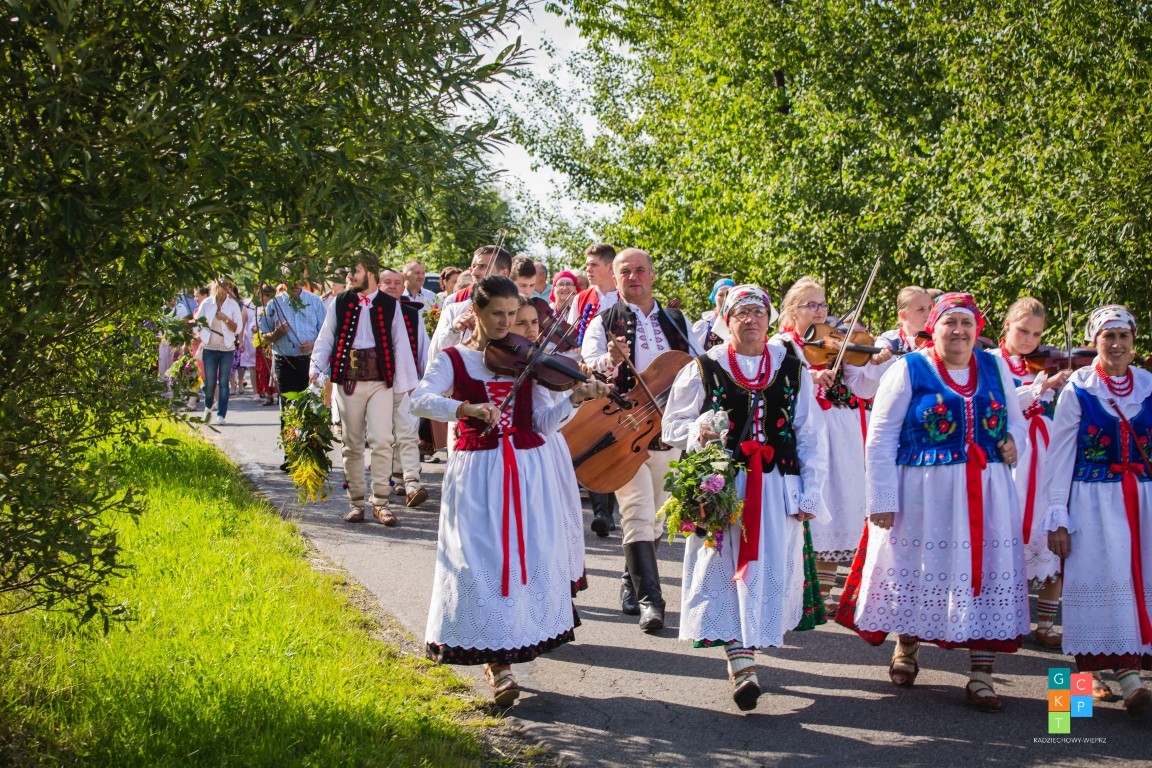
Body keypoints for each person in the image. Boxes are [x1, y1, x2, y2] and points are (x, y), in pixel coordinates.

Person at [410, 275, 610, 705]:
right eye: (496, 314)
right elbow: (419, 400)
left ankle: (510, 649)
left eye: (511, 315)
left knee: (524, 559)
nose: (505, 323)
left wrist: (574, 400)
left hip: (528, 469)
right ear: (476, 313)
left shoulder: (527, 360)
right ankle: (495, 662)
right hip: (477, 471)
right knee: (479, 559)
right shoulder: (454, 358)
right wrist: (462, 407)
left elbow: (542, 423)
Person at [838, 292, 1029, 712]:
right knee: (921, 568)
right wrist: (882, 498)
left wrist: (1015, 440)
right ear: (933, 328)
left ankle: (981, 672)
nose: (958, 331)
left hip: (988, 492)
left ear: (977, 329)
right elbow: (881, 437)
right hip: (923, 494)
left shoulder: (995, 366)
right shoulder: (909, 368)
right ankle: (907, 645)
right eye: (949, 323)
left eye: (966, 323)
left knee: (987, 572)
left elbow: (1017, 422)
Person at [664, 285, 829, 710]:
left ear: (769, 319)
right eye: (742, 312)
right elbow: (671, 427)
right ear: (727, 320)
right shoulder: (705, 367)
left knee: (766, 568)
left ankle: (749, 651)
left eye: (758, 311)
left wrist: (811, 491)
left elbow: (810, 433)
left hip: (777, 486)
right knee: (724, 568)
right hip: (722, 486)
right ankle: (741, 663)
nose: (751, 319)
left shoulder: (791, 368)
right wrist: (699, 430)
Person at [1044, 304, 1152, 717]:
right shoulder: (1080, 388)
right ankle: (1076, 704)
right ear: (1095, 342)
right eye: (1109, 336)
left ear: (1133, 341)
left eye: (1124, 336)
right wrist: (1057, 514)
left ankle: (1126, 673)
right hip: (1092, 500)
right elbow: (1059, 454)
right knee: (1096, 583)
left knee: (1133, 583)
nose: (1117, 344)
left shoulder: (1148, 385)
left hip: (1141, 500)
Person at [581, 247, 696, 631]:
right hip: (623, 430)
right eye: (625, 272)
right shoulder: (602, 322)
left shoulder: (678, 320)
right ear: (615, 279)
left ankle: (631, 582)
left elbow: (700, 366)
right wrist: (610, 360)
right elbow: (588, 367)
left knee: (658, 517)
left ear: (652, 275)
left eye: (640, 270)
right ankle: (652, 602)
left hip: (668, 431)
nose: (634, 277)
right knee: (637, 511)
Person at [774, 277, 886, 612]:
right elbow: (773, 384)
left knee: (837, 511)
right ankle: (790, 593)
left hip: (840, 435)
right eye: (811, 305)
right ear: (792, 311)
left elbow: (863, 390)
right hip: (802, 435)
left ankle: (820, 597)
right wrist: (808, 377)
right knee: (801, 512)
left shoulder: (836, 343)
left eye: (822, 304)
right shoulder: (780, 345)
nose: (820, 311)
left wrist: (875, 365)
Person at [309, 250, 418, 525]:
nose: (348, 276)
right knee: (352, 443)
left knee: (382, 440)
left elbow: (401, 345)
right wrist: (315, 368)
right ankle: (356, 503)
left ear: (370, 272)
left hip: (381, 382)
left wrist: (405, 386)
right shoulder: (340, 302)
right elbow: (326, 337)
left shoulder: (389, 304)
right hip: (348, 382)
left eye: (353, 271)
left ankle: (380, 502)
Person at [991, 298, 1074, 651]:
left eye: (1037, 334)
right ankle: (1004, 617)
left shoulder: (1042, 363)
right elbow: (1003, 403)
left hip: (1048, 454)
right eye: (1023, 330)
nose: (1029, 340)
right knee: (1008, 530)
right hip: (1015, 457)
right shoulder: (992, 363)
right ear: (1007, 325)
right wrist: (1042, 386)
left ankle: (1047, 623)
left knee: (1052, 526)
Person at [568, 243, 623, 539]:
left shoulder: (624, 298)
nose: (587, 270)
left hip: (621, 378)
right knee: (593, 437)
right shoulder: (582, 299)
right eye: (587, 264)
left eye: (593, 265)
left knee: (616, 440)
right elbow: (570, 338)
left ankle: (611, 508)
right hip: (588, 376)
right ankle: (602, 512)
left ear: (609, 268)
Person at [258, 277, 327, 454]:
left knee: (310, 406)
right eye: (291, 279)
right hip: (284, 361)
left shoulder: (315, 301)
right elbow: (263, 335)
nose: (295, 284)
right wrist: (277, 333)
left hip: (310, 362)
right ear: (283, 281)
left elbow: (326, 333)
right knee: (289, 406)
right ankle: (291, 454)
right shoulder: (274, 304)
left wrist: (313, 344)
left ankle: (309, 453)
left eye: (298, 279)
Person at [380, 267, 430, 508]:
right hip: (377, 383)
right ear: (379, 286)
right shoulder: (370, 312)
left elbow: (423, 348)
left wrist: (425, 381)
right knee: (385, 435)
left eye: (397, 282)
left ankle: (411, 482)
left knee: (408, 432)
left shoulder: (412, 314)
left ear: (403, 286)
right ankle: (393, 478)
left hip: (407, 381)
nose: (392, 286)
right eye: (387, 282)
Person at [430, 246, 513, 360]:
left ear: (504, 274)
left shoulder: (519, 310)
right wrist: (453, 329)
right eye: (474, 266)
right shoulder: (453, 308)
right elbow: (434, 356)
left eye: (483, 266)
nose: (474, 272)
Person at [196, 279, 243, 425]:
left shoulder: (233, 304)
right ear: (216, 287)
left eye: (228, 286)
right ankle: (208, 408)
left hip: (227, 349)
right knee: (210, 383)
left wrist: (226, 319)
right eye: (223, 286)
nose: (226, 288)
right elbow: (198, 323)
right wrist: (200, 333)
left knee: (223, 382)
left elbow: (238, 328)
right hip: (209, 348)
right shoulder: (207, 303)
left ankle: (221, 414)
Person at [877, 286, 933, 355]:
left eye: (929, 308)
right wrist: (879, 355)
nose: (928, 314)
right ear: (903, 315)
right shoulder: (890, 339)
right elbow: (880, 347)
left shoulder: (936, 337)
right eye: (920, 309)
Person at [691, 278, 735, 352]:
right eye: (721, 295)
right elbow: (692, 354)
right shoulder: (704, 326)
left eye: (729, 294)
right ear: (714, 298)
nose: (725, 298)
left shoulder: (743, 324)